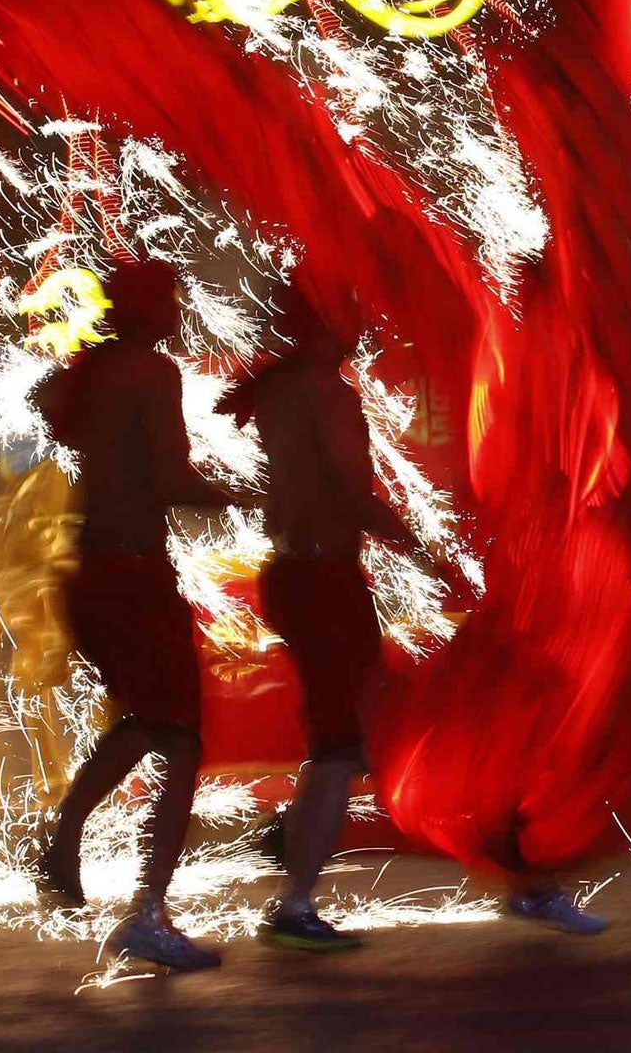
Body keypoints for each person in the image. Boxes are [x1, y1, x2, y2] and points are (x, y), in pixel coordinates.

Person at [33, 256, 239, 972]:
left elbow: (54, 415)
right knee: (179, 740)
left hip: (88, 573)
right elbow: (172, 477)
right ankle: (147, 912)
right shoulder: (153, 373)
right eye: (172, 300)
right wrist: (256, 496)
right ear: (148, 309)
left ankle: (64, 834)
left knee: (146, 720)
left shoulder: (86, 371)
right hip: (136, 575)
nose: (179, 313)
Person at [220, 284, 411, 951]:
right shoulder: (327, 392)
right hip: (324, 577)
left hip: (296, 574)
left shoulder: (278, 387)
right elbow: (350, 491)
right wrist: (431, 549)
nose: (367, 322)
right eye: (354, 309)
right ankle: (293, 901)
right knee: (341, 745)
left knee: (349, 735)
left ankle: (293, 841)